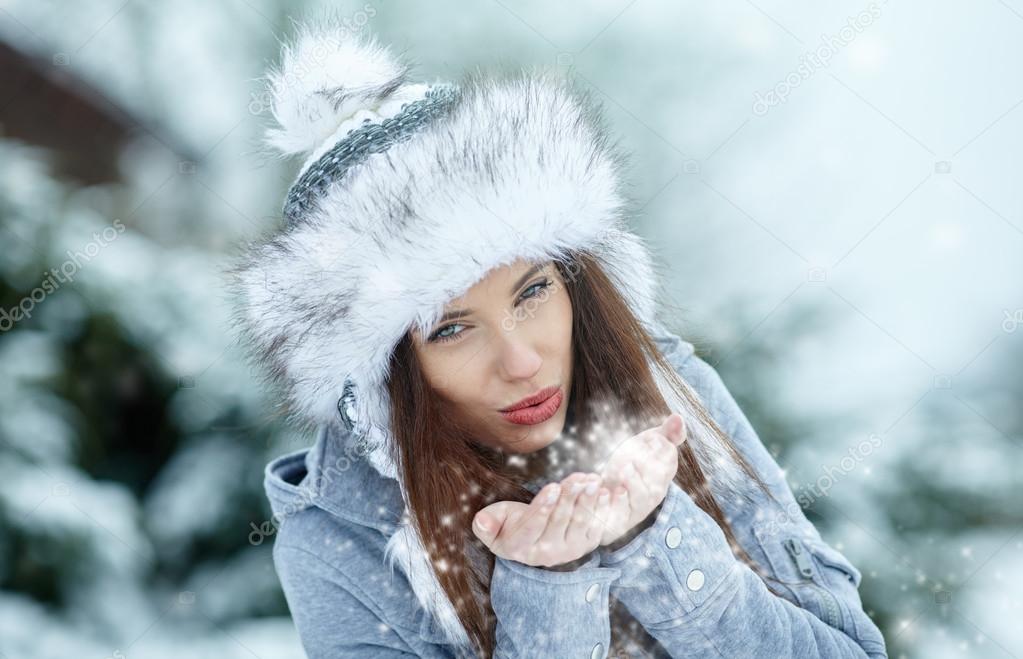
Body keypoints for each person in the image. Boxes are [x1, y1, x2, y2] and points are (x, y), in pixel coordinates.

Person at [229, 16, 889, 659]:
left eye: (533, 291)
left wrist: (658, 541)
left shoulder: (674, 398)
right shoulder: (339, 543)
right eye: (451, 328)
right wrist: (549, 587)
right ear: (381, 377)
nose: (521, 361)